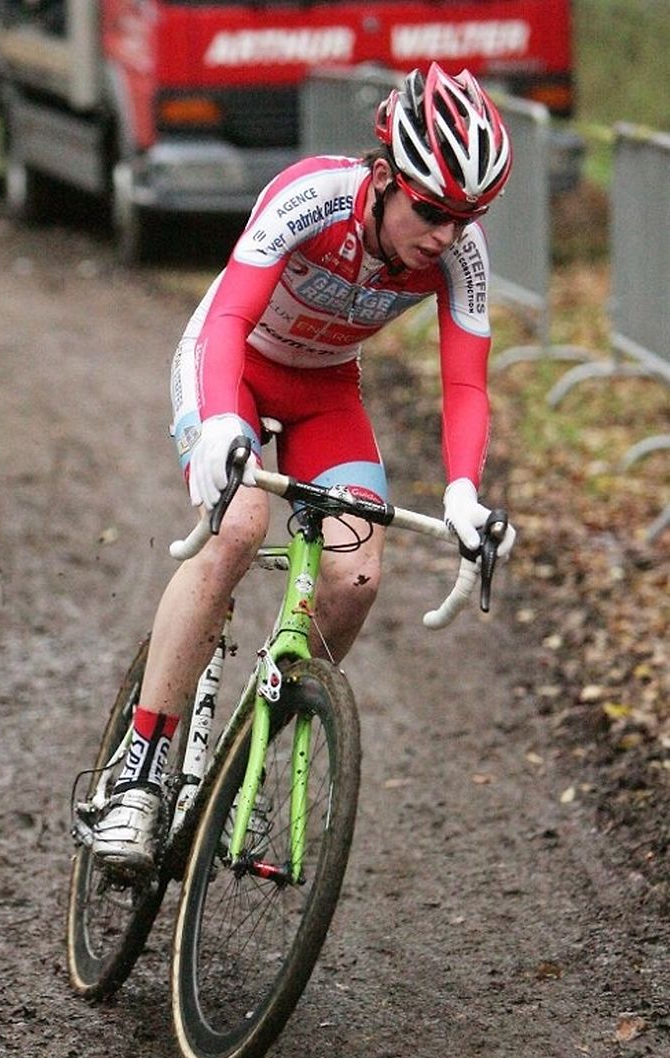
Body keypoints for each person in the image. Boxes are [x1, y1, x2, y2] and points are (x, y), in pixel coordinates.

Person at [91, 62, 517, 872]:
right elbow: (229, 314)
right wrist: (222, 425)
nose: (447, 235)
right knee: (239, 528)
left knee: (356, 575)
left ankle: (246, 750)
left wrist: (464, 491)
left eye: (468, 217)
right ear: (385, 178)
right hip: (233, 365)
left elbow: (465, 384)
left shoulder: (460, 254)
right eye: (432, 210)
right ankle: (139, 774)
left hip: (325, 391)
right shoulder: (311, 196)